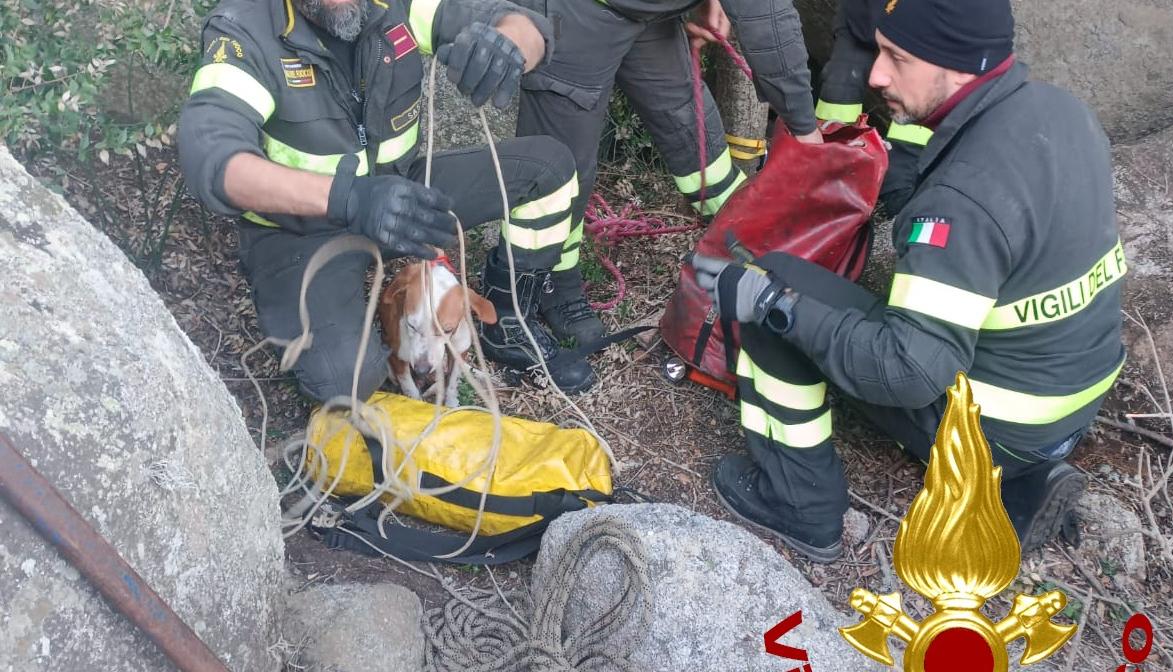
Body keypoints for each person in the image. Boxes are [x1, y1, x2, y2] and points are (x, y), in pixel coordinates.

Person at [693, 0, 1125, 562]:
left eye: (897, 58)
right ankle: (1021, 475)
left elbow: (909, 371)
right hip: (1069, 401)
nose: (875, 75)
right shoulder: (1058, 112)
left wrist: (775, 302)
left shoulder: (962, 203)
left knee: (770, 286)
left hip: (994, 425)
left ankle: (799, 503)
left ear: (959, 65)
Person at [178, 0, 600, 402]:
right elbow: (213, 159)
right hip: (300, 231)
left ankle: (507, 319)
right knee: (348, 380)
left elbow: (526, 25)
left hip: (400, 195)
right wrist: (350, 198)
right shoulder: (245, 28)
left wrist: (507, 46)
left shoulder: (396, 5)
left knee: (550, 167)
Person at [511, 0, 823, 346]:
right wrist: (805, 129)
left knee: (687, 124)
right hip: (577, 12)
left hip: (646, 13)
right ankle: (547, 280)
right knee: (564, 162)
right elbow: (770, 25)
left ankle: (744, 234)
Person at [815, 0, 931, 215]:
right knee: (837, 96)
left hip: (921, 28)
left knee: (911, 122)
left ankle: (896, 204)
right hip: (861, 17)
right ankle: (823, 181)